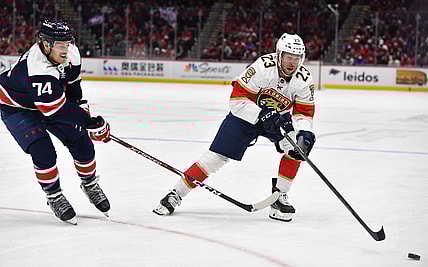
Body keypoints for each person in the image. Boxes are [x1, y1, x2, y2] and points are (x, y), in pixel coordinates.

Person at [153, 33, 316, 222]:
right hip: (245, 116)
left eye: (296, 58)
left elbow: (304, 112)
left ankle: (280, 196)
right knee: (215, 158)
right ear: (279, 54)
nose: (292, 63)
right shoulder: (263, 67)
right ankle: (176, 194)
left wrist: (305, 132)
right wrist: (261, 113)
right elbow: (237, 100)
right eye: (288, 57)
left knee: (296, 148)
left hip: (277, 119)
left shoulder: (304, 78)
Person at [0, 18, 111, 225]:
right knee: (43, 151)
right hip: (18, 108)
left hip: (50, 103)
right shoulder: (37, 69)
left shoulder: (71, 53)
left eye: (67, 44)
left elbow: (73, 85)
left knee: (83, 145)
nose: (65, 50)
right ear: (45, 44)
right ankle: (54, 196)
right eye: (60, 45)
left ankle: (89, 184)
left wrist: (82, 108)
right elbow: (56, 110)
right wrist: (90, 122)